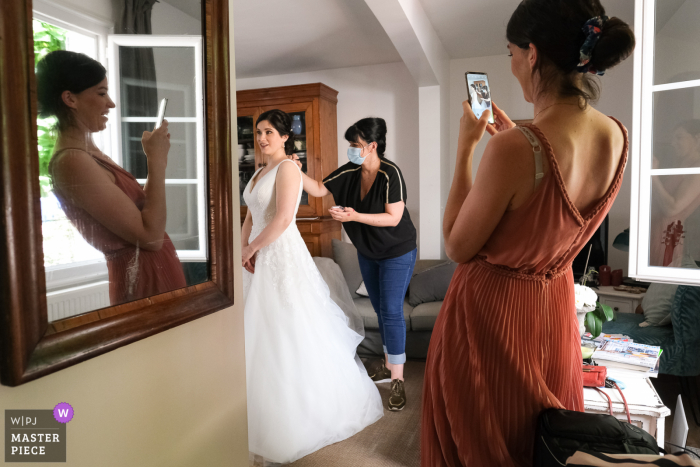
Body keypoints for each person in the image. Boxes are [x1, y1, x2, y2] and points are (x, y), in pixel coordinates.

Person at [421, 0, 635, 465]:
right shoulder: (616, 136)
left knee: (483, 435)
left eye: (511, 52)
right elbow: (547, 200)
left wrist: (466, 150)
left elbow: (457, 245)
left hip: (491, 314)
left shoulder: (516, 148)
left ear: (532, 54)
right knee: (544, 433)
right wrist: (514, 140)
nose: (512, 64)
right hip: (552, 307)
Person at [241, 109, 383, 464]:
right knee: (256, 332)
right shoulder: (258, 171)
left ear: (286, 137)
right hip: (255, 256)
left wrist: (253, 247)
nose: (262, 138)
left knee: (287, 330)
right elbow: (250, 215)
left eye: (270, 132)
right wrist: (240, 250)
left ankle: (297, 414)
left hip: (279, 255)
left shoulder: (287, 168)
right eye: (259, 132)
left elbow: (285, 218)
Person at [37, 50, 185, 306]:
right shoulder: (72, 161)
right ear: (70, 99)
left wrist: (155, 158)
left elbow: (143, 214)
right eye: (102, 93)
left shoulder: (88, 152)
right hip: (142, 278)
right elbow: (150, 236)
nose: (111, 104)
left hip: (152, 270)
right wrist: (157, 163)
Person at [300, 117, 417, 411]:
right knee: (381, 310)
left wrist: (354, 216)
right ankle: (390, 364)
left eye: (356, 144)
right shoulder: (350, 171)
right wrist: (292, 167)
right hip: (368, 252)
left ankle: (398, 380)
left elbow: (392, 217)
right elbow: (316, 188)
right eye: (351, 144)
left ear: (372, 146)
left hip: (396, 251)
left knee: (391, 311)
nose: (351, 149)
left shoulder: (391, 174)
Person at [649, 120, 700, 266]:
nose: (673, 143)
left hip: (669, 237)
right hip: (657, 232)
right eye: (672, 138)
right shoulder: (680, 166)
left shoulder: (697, 169)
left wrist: (652, 175)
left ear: (697, 138)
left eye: (679, 137)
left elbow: (672, 208)